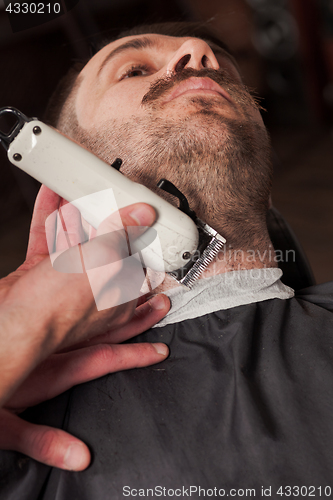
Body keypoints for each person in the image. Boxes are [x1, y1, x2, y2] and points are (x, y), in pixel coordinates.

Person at [1, 21, 333, 498]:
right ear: (65, 168)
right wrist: (11, 331)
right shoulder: (23, 438)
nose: (201, 54)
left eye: (224, 69)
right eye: (134, 69)